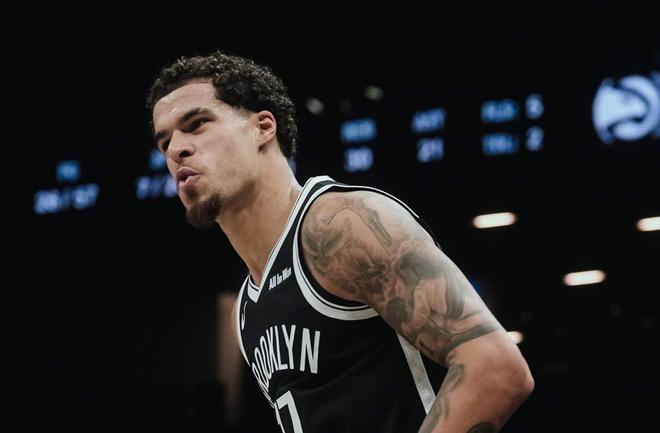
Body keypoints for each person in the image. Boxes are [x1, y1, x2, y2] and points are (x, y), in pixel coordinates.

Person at [146, 51, 534, 433]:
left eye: (197, 124)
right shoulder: (246, 309)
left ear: (263, 127)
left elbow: (495, 368)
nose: (176, 150)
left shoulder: (343, 226)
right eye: (164, 142)